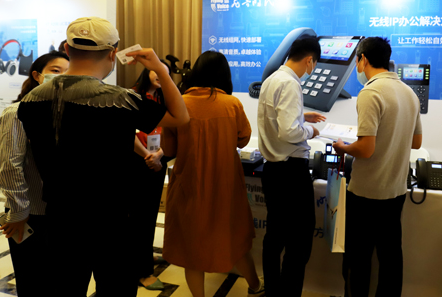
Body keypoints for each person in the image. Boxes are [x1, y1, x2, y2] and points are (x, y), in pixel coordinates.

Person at [17, 17, 189, 297]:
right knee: (115, 290)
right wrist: (159, 68)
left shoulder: (30, 100)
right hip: (112, 220)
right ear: (113, 54)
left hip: (60, 217)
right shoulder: (121, 100)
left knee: (65, 290)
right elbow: (180, 117)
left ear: (67, 49)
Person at [162, 51, 265, 297]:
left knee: (191, 251)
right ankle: (255, 287)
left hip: (189, 186)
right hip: (225, 186)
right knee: (235, 242)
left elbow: (168, 149)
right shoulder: (232, 104)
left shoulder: (179, 103)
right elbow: (243, 139)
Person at [332, 37, 422, 297]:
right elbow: (416, 142)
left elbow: (366, 149)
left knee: (358, 258)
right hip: (396, 190)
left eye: (356, 60)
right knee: (390, 256)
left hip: (366, 192)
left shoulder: (370, 92)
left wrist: (344, 147)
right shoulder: (408, 92)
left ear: (363, 59)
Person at [257, 35, 325, 297]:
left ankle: (273, 291)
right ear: (309, 61)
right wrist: (311, 130)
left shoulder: (272, 79)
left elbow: (274, 117)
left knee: (274, 237)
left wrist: (301, 116)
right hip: (291, 173)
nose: (312, 69)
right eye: (314, 64)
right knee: (299, 241)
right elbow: (289, 132)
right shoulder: (291, 83)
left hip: (273, 170)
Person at [0, 51, 69, 297]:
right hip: (31, 214)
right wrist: (19, 213)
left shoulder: (67, 113)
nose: (62, 78)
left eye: (68, 73)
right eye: (56, 71)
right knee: (34, 282)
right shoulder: (17, 112)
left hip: (63, 213)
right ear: (38, 75)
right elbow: (9, 166)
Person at [130, 64, 172, 290]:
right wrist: (148, 155)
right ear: (147, 71)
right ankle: (142, 272)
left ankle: (144, 256)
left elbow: (172, 133)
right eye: (157, 69)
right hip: (138, 162)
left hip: (158, 159)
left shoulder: (165, 99)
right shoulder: (132, 96)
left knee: (150, 214)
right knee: (139, 217)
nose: (161, 74)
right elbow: (125, 132)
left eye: (166, 71)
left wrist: (160, 155)